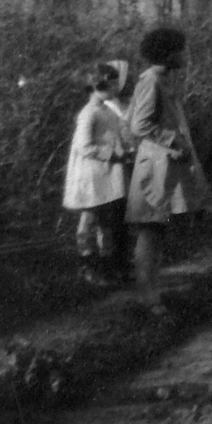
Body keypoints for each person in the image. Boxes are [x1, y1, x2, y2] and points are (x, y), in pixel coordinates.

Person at [125, 26, 212, 316]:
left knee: (156, 231)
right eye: (181, 49)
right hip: (155, 168)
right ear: (168, 53)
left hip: (165, 167)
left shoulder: (162, 80)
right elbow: (138, 125)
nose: (185, 54)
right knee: (150, 231)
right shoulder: (151, 81)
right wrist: (172, 140)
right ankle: (147, 298)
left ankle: (151, 293)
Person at [62, 61, 132, 284]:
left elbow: (116, 135)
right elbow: (84, 147)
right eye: (111, 85)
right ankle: (87, 267)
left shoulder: (105, 111)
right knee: (88, 222)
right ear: (100, 86)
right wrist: (113, 154)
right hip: (91, 176)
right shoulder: (89, 113)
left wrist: (127, 150)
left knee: (105, 223)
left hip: (105, 175)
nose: (115, 89)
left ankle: (107, 268)